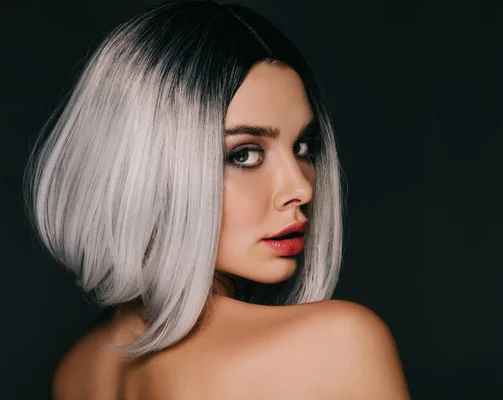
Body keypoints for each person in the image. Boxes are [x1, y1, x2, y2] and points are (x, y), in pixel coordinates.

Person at [22, 0, 411, 398]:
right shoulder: (336, 343)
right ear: (148, 169)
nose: (302, 188)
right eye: (244, 154)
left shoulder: (77, 369)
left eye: (303, 147)